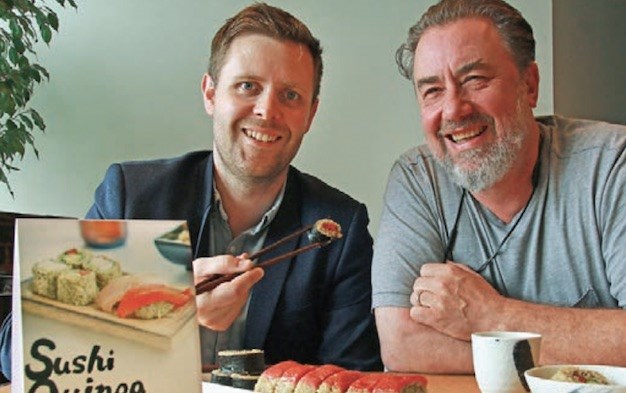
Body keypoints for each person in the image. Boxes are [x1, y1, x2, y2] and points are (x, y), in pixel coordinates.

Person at [0, 3, 382, 379]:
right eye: (248, 86)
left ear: (311, 115)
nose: (267, 111)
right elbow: (15, 355)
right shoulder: (131, 196)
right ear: (210, 94)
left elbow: (351, 380)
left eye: (290, 96)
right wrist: (173, 305)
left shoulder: (339, 228)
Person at [371, 0, 626, 386]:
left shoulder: (615, 163)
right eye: (432, 90)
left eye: (475, 79)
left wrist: (492, 315)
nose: (454, 110)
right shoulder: (417, 179)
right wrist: (615, 342)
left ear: (529, 86)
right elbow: (401, 344)